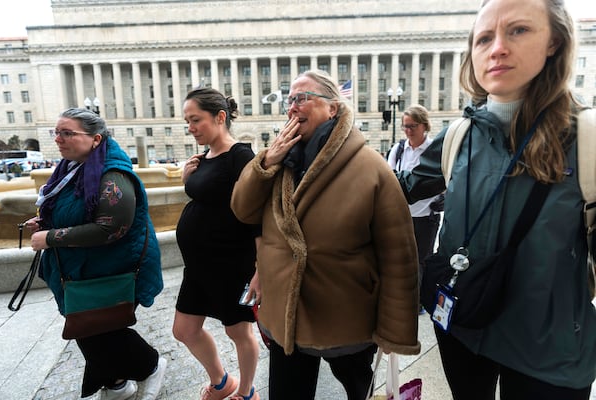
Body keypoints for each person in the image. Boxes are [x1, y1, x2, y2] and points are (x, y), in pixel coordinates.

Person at [397, 0, 596, 398]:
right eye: (484, 37)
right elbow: (395, 191)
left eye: (518, 30)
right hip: (465, 328)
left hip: (547, 350)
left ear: (555, 42)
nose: (497, 48)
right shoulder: (459, 135)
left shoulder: (587, 138)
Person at [231, 69, 420, 400]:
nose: (292, 107)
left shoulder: (370, 167)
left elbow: (398, 255)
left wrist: (393, 332)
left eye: (302, 98)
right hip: (286, 320)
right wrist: (265, 162)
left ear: (333, 108)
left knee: (357, 388)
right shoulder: (280, 162)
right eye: (290, 100)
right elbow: (242, 210)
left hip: (344, 318)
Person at [24, 108, 166, 400]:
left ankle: (151, 366)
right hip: (87, 269)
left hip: (115, 268)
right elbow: (76, 210)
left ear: (96, 138)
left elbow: (111, 228)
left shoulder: (113, 174)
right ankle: (116, 384)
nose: (58, 139)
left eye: (67, 133)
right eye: (57, 132)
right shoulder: (74, 167)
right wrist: (46, 221)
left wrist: (50, 238)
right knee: (89, 328)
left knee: (99, 329)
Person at [172, 88, 261, 400]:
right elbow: (208, 198)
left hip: (231, 264)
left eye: (196, 119)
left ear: (220, 117)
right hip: (198, 267)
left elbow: (257, 214)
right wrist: (187, 179)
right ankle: (222, 381)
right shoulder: (203, 157)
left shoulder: (240, 156)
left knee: (238, 331)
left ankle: (247, 392)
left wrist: (260, 269)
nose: (191, 127)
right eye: (188, 121)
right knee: (184, 330)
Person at [387, 105, 443, 314]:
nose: (408, 130)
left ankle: (420, 300)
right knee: (401, 258)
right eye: (405, 126)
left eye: (412, 126)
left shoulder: (434, 150)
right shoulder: (398, 149)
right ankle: (403, 296)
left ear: (424, 125)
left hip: (426, 216)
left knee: (422, 259)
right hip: (402, 214)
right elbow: (389, 176)